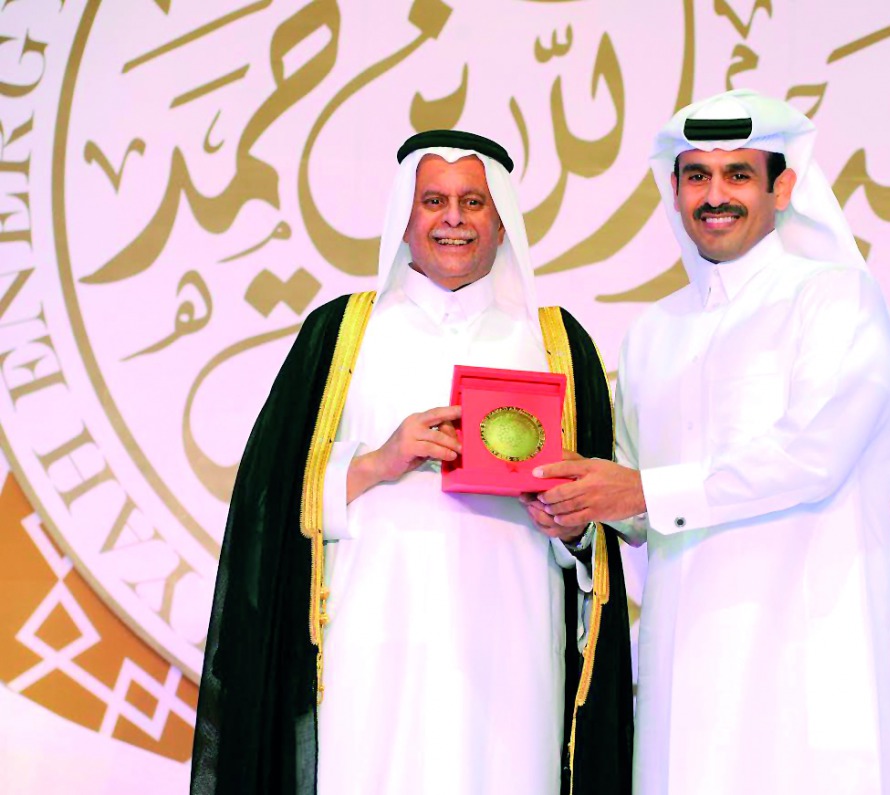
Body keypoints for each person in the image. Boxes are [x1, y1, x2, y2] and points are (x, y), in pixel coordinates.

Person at [191, 130, 633, 795]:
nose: (453, 217)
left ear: (501, 220)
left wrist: (569, 521)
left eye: (473, 201)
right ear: (406, 216)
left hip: (511, 653)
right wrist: (379, 460)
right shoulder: (343, 332)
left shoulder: (555, 342)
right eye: (434, 199)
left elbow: (596, 530)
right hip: (371, 646)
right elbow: (269, 498)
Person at [533, 90, 890, 794]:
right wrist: (578, 508)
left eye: (739, 174)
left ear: (783, 187)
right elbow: (637, 504)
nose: (716, 195)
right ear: (674, 192)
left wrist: (639, 490)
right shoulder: (652, 332)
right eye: (697, 176)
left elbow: (812, 456)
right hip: (684, 666)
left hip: (804, 659)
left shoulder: (837, 300)